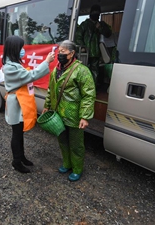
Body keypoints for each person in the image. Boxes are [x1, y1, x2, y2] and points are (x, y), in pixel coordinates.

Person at [42, 40, 96, 181]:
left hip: (74, 115)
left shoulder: (82, 71)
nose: (60, 54)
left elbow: (88, 95)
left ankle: (77, 169)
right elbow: (51, 90)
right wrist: (47, 105)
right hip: (59, 113)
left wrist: (85, 116)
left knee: (76, 144)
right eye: (59, 51)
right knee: (62, 141)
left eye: (63, 52)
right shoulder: (56, 69)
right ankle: (67, 163)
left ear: (72, 54)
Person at [2, 35, 55, 173]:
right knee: (17, 133)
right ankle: (16, 161)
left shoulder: (14, 63)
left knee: (20, 132)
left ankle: (22, 157)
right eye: (21, 47)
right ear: (14, 49)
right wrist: (46, 62)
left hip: (20, 100)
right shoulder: (9, 67)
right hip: (15, 102)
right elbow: (30, 76)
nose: (23, 50)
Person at [75, 4, 112, 85]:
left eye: (98, 12)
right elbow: (78, 36)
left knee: (95, 71)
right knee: (83, 70)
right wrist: (83, 47)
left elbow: (108, 34)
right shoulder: (85, 24)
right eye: (94, 12)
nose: (96, 14)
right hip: (85, 52)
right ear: (90, 13)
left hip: (96, 52)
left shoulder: (101, 24)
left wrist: (100, 28)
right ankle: (83, 86)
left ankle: (92, 87)